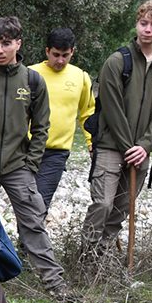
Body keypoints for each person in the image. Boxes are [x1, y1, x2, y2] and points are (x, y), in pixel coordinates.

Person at [0, 17, 76, 302]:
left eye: (6, 43)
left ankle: (56, 286)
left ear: (18, 44)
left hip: (18, 167)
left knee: (33, 223)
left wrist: (32, 163)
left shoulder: (33, 81)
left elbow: (42, 127)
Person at [81, 0, 152, 259]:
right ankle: (85, 257)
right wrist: (127, 146)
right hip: (112, 145)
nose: (148, 29)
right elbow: (111, 108)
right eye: (143, 23)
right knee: (102, 203)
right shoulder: (117, 61)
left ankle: (102, 255)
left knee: (122, 208)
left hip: (141, 151)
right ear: (137, 23)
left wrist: (144, 146)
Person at [29, 28, 96, 210]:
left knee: (40, 204)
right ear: (47, 51)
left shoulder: (80, 77)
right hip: (25, 150)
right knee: (25, 204)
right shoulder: (30, 74)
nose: (60, 60)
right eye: (55, 54)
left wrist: (92, 142)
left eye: (65, 55)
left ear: (72, 51)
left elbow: (87, 113)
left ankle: (28, 238)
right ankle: (24, 238)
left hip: (56, 153)